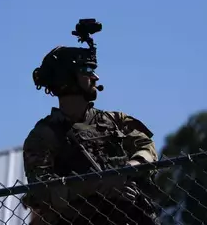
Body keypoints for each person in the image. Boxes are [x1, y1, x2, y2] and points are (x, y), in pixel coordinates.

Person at [21, 26, 160, 225]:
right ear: (66, 79)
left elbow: (146, 147)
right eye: (87, 70)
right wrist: (97, 184)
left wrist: (127, 170)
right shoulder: (43, 136)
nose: (96, 77)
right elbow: (43, 190)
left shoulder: (115, 121)